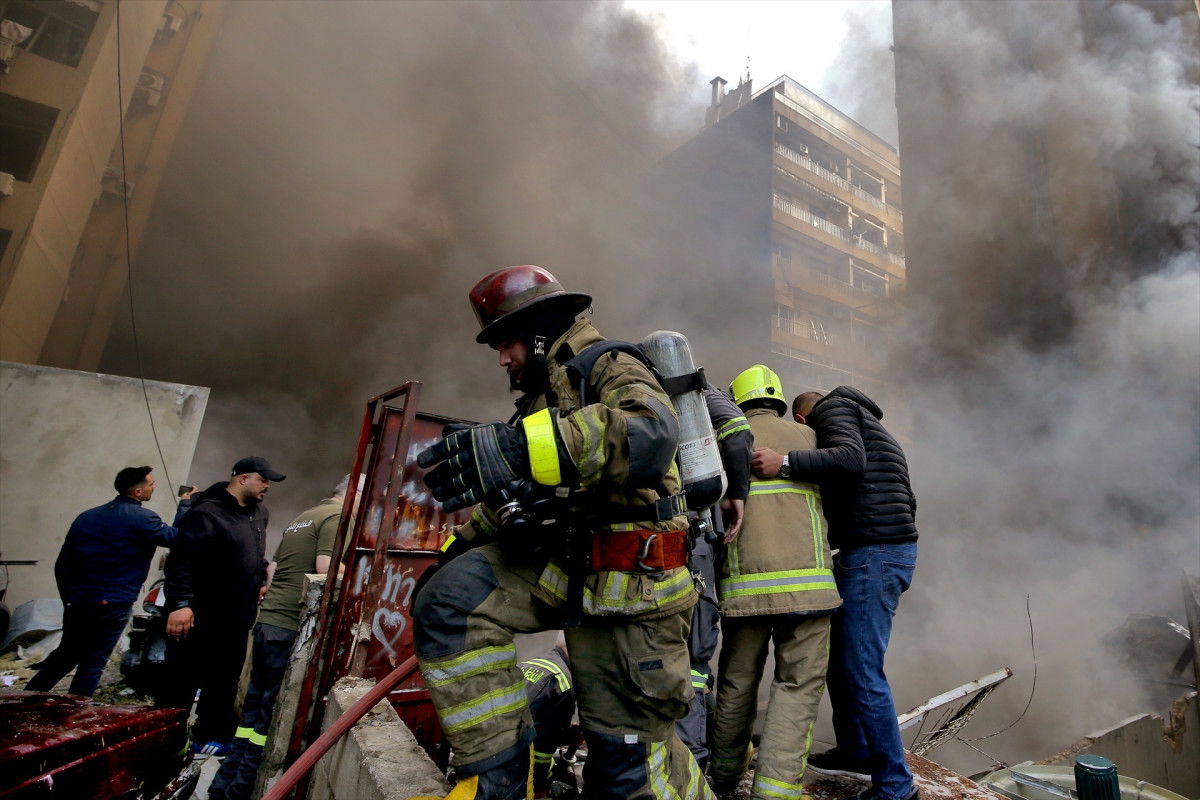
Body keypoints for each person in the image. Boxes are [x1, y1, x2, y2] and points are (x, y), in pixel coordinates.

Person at [412, 265, 712, 800]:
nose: (502, 360)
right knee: (450, 600)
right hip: (574, 571)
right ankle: (497, 785)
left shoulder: (611, 365)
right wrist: (453, 552)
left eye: (506, 343)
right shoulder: (544, 396)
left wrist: (521, 448)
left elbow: (651, 435)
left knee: (627, 772)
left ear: (539, 331)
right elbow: (520, 496)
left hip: (633, 589)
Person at [751, 387, 919, 800]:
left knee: (861, 670)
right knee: (841, 661)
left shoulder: (833, 410)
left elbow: (848, 459)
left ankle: (896, 787)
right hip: (879, 552)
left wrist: (784, 462)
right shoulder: (871, 425)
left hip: (873, 555)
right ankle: (856, 751)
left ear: (803, 422)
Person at [709, 366, 841, 800]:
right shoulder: (809, 437)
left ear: (736, 400)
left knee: (737, 681)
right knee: (797, 686)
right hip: (809, 590)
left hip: (744, 591)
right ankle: (774, 792)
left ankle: (724, 775)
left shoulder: (724, 438)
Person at [207, 474, 350, 800]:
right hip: (287, 627)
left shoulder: (305, 515)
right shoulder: (337, 516)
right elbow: (326, 567)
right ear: (354, 495)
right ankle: (240, 792)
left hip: (267, 622)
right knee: (267, 719)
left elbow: (273, 569)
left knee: (250, 713)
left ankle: (222, 788)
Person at [158, 456, 286, 758]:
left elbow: (254, 554)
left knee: (224, 682)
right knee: (181, 683)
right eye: (262, 479)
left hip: (237, 617)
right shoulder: (205, 513)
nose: (267, 486)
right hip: (200, 616)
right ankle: (165, 743)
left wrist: (260, 578)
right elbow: (181, 562)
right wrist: (180, 603)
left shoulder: (260, 514)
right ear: (242, 479)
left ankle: (208, 737)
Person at [26, 466, 180, 697]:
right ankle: (74, 709)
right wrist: (185, 505)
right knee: (93, 662)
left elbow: (63, 566)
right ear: (137, 491)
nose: (154, 487)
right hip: (113, 603)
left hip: (79, 600)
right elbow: (177, 538)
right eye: (151, 484)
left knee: (66, 655)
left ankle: (25, 702)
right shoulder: (143, 519)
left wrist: (70, 598)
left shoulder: (87, 517)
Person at [674, 388, 752, 773]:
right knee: (693, 653)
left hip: (641, 546)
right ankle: (690, 762)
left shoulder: (618, 385)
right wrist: (737, 494)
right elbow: (737, 431)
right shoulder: (694, 392)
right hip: (692, 540)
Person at [519, 635, 576, 798]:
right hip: (524, 772)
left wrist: (567, 736)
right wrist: (539, 789)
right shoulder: (563, 683)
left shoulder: (530, 664)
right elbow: (541, 749)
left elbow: (535, 717)